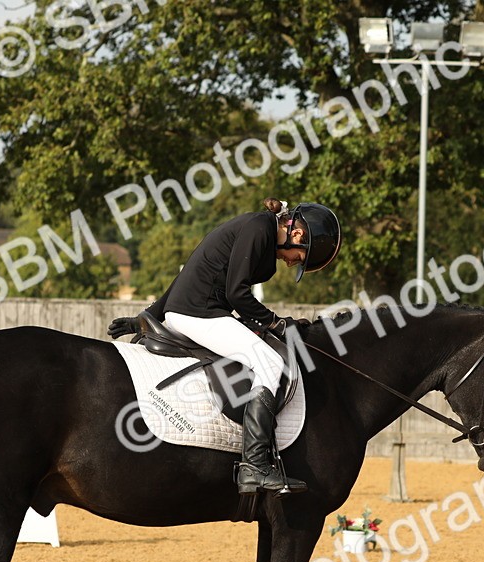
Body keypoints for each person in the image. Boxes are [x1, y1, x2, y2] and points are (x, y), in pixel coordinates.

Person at [108, 198, 342, 495]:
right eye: (300, 257)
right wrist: (276, 323)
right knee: (270, 364)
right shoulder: (259, 228)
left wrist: (146, 316)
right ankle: (255, 465)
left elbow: (190, 272)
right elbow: (237, 293)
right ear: (298, 235)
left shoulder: (260, 234)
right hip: (199, 313)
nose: (293, 262)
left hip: (197, 309)